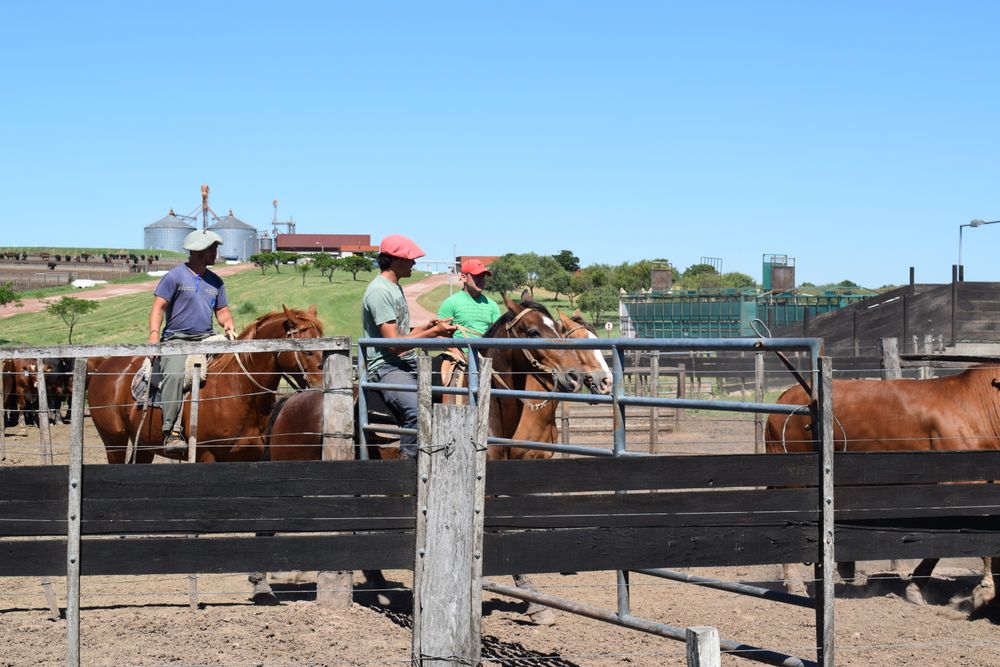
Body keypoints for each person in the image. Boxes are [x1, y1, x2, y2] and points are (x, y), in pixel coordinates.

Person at [362, 234, 457, 458]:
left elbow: (404, 334)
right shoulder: (380, 291)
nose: (414, 263)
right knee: (417, 409)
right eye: (410, 259)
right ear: (394, 260)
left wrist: (428, 326)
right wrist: (433, 333)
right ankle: (407, 468)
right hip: (385, 368)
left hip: (405, 362)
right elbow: (393, 345)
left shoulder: (395, 288)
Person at [148, 229, 237, 454]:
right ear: (198, 251)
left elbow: (222, 311)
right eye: (212, 249)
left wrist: (228, 324)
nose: (216, 253)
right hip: (177, 339)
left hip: (206, 338)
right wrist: (153, 334)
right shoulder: (175, 276)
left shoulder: (216, 281)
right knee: (175, 374)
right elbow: (159, 307)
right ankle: (171, 432)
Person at [438, 259, 501, 339]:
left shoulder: (492, 305)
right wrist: (456, 351)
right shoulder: (451, 303)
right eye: (477, 276)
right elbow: (440, 334)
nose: (481, 280)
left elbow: (498, 335)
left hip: (484, 351)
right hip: (458, 351)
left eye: (483, 277)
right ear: (463, 277)